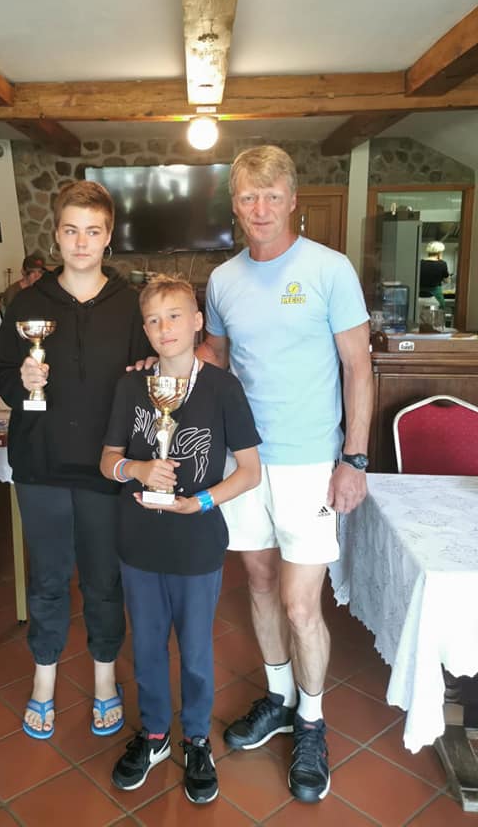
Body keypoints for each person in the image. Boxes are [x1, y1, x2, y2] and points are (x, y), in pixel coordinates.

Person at [200, 146, 372, 804]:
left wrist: (354, 458)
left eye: (273, 196)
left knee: (302, 604)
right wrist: (159, 370)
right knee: (261, 580)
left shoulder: (330, 269)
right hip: (244, 461)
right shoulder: (222, 280)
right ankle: (278, 698)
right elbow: (216, 359)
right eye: (249, 197)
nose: (261, 209)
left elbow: (358, 367)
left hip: (309, 463)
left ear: (293, 200)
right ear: (235, 205)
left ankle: (311, 721)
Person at [0, 180, 152, 740]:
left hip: (108, 467)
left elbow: (149, 378)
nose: (81, 242)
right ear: (56, 235)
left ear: (109, 237)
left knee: (104, 580)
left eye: (93, 231)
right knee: (48, 579)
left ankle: (105, 678)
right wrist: (21, 378)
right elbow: (4, 377)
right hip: (42, 462)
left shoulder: (132, 305)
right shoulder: (26, 303)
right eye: (70, 231)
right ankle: (44, 680)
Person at [100, 275, 261, 804]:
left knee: (195, 650)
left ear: (197, 322)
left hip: (197, 542)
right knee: (146, 646)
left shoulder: (223, 388)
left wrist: (203, 501)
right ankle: (153, 735)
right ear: (144, 330)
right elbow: (107, 460)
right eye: (153, 319)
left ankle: (196, 739)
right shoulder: (131, 387)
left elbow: (250, 472)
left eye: (174, 316)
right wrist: (137, 469)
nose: (164, 327)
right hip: (139, 540)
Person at [419, 240, 449, 308]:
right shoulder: (442, 264)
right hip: (435, 295)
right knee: (440, 310)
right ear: (439, 253)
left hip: (419, 295)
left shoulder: (420, 263)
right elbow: (446, 281)